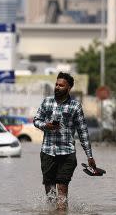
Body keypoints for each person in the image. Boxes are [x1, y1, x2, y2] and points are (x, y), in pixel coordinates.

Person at [33, 72, 97, 211]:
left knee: (62, 188)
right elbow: (36, 120)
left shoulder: (75, 106)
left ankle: (62, 212)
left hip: (67, 153)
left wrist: (89, 155)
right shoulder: (46, 102)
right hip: (47, 152)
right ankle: (52, 212)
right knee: (50, 191)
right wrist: (46, 125)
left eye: (61, 85)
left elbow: (83, 132)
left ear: (69, 88)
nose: (57, 87)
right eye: (56, 84)